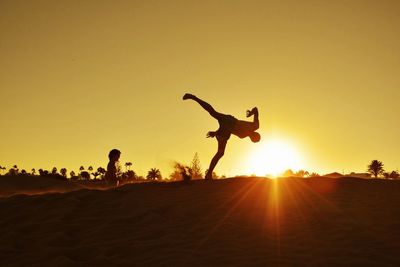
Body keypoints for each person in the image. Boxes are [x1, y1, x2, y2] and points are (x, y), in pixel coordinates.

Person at [183, 93, 260, 180]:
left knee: (220, 153)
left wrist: (216, 133)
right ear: (255, 134)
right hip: (229, 120)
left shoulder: (243, 135)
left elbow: (227, 129)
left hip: (226, 130)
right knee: (213, 112)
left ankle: (209, 174)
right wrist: (251, 112)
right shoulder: (255, 126)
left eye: (252, 139)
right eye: (253, 137)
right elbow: (256, 109)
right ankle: (194, 97)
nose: (251, 137)